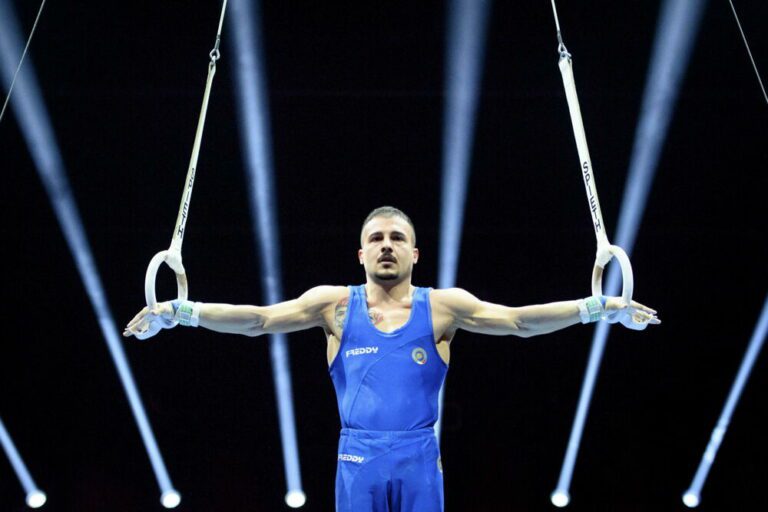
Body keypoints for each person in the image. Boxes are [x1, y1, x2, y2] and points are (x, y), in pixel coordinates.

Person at [124, 206, 660, 512]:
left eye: (397, 238)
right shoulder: (333, 306)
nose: (386, 245)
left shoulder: (444, 307)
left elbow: (520, 321)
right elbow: (258, 319)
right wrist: (181, 311)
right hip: (356, 459)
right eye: (376, 238)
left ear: (414, 254)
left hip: (420, 458)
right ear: (360, 253)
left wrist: (600, 307)